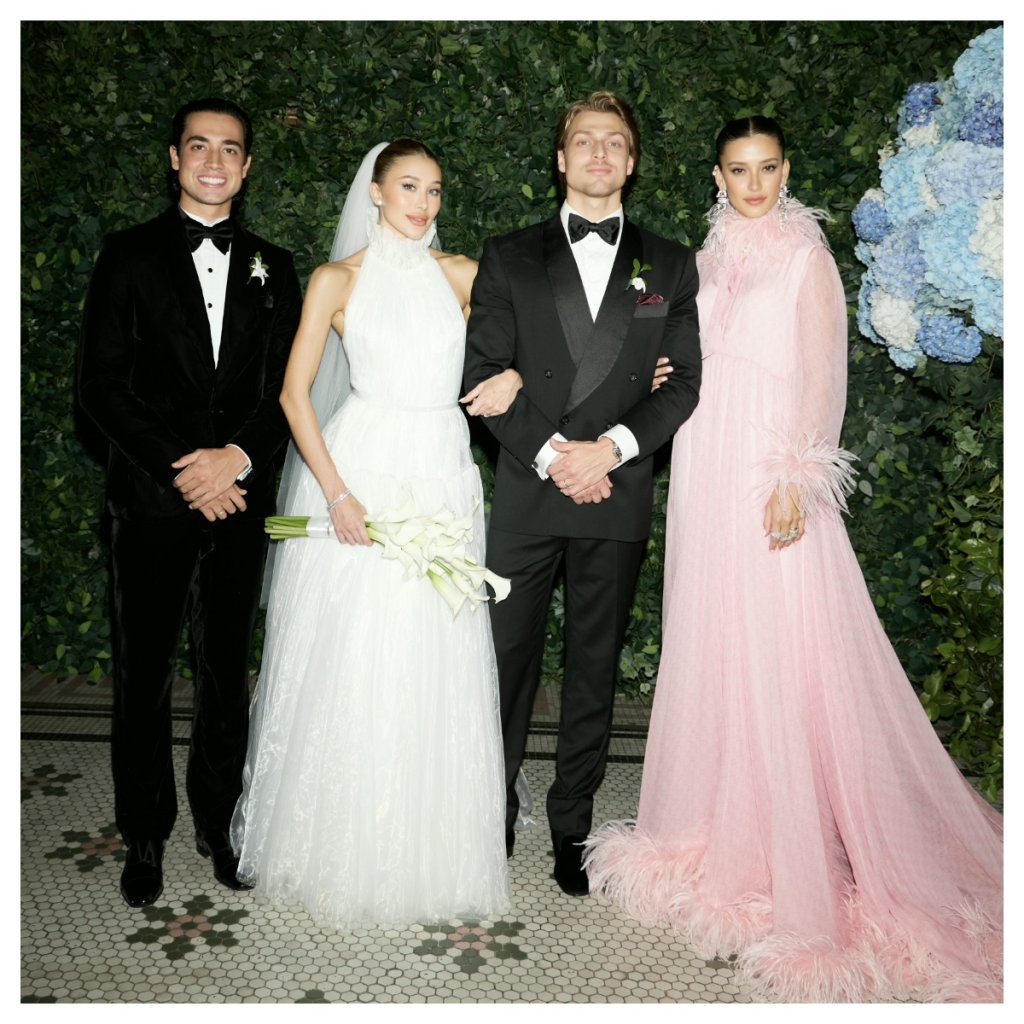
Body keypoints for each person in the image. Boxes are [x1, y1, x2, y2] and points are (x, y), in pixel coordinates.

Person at [584, 116, 1003, 1002]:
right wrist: (656, 375)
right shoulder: (700, 260)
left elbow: (821, 379)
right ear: (716, 176)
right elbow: (682, 358)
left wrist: (796, 476)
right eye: (738, 170)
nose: (754, 184)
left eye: (767, 168)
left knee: (784, 638)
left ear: (785, 169)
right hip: (704, 461)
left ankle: (793, 846)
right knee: (715, 631)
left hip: (767, 467)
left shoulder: (807, 259)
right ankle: (712, 823)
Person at [230, 140, 521, 928]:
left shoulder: (463, 275)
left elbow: (535, 339)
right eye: (409, 187)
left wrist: (516, 373)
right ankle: (338, 844)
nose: (423, 204)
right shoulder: (336, 279)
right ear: (377, 192)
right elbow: (295, 396)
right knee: (355, 647)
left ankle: (434, 845)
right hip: (359, 468)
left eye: (435, 190)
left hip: (443, 470)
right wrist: (336, 493)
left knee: (435, 647)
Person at [464, 91, 702, 897]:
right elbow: (482, 372)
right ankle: (490, 806)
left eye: (615, 142)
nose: (599, 153)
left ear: (631, 162)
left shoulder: (669, 263)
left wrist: (610, 450)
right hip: (530, 488)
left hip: (616, 487)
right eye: (584, 141)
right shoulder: (508, 254)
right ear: (560, 159)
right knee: (504, 662)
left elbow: (683, 383)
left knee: (594, 666)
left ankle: (572, 823)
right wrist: (553, 455)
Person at [78, 98, 302, 907]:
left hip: (241, 501)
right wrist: (186, 469)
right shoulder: (127, 255)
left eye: (230, 149)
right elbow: (100, 385)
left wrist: (233, 460)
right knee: (142, 675)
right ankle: (144, 834)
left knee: (224, 672)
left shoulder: (276, 266)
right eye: (199, 146)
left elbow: (287, 388)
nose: (214, 161)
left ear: (247, 165)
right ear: (175, 158)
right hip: (152, 500)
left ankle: (219, 822)